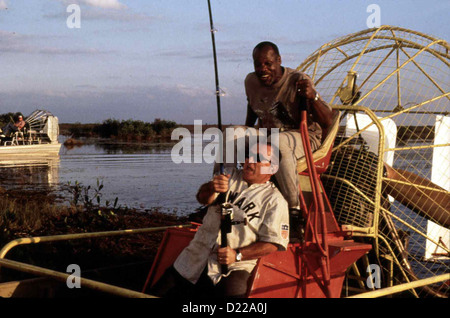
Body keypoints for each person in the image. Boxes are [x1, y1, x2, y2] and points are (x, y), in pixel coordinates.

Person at [152, 142, 289, 298]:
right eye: (248, 155)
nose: (249, 161)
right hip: (194, 257)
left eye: (258, 158)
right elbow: (202, 198)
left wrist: (237, 255)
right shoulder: (228, 175)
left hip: (234, 267)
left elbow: (272, 243)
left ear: (272, 168)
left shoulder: (275, 201)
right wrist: (212, 188)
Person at [216, 41, 334, 217]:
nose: (262, 69)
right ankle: (224, 195)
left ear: (279, 61)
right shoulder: (251, 81)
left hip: (303, 136)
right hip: (269, 136)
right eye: (258, 64)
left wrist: (313, 96)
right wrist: (244, 133)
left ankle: (294, 209)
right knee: (231, 134)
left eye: (268, 64)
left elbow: (328, 121)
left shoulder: (298, 80)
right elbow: (253, 106)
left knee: (276, 143)